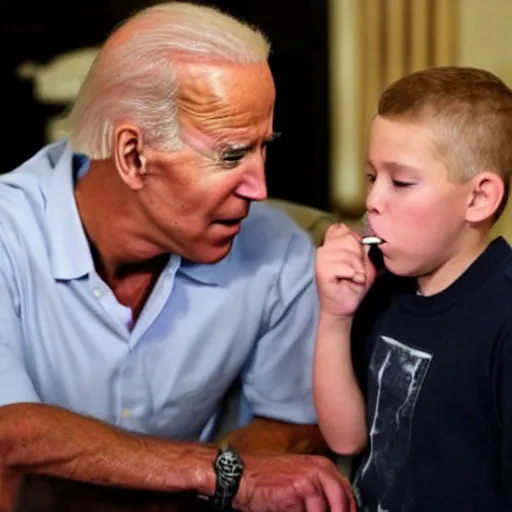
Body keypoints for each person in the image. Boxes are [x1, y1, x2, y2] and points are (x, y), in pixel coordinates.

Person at [0, 2, 358, 511]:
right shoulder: (7, 231)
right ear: (132, 155)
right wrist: (215, 474)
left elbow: (295, 424)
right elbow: (8, 433)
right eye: (231, 155)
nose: (260, 188)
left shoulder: (282, 252)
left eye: (263, 148)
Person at [314, 66, 512, 511]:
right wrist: (335, 316)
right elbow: (346, 438)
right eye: (371, 177)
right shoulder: (384, 286)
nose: (372, 201)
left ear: (479, 198)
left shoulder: (503, 316)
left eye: (400, 182)